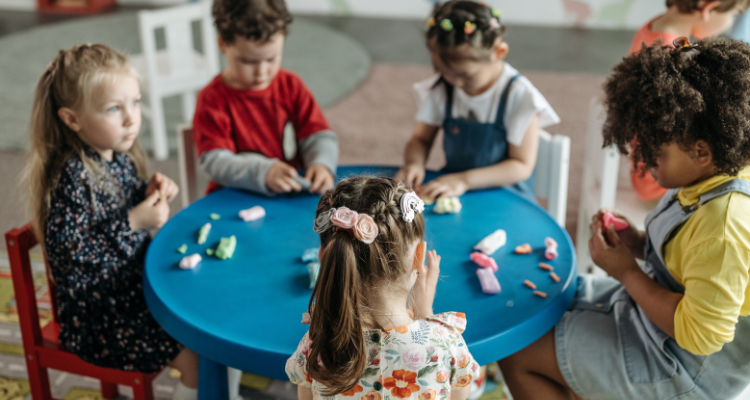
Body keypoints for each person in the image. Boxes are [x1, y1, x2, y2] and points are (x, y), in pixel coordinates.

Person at [499, 37, 750, 400]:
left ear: (701, 151)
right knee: (541, 305)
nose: (645, 161)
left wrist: (627, 273)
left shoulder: (726, 226)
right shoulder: (711, 173)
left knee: (518, 352)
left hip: (687, 370)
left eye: (657, 153)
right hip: (654, 325)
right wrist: (636, 243)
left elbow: (700, 336)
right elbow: (694, 262)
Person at [23, 44, 201, 400]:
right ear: (72, 119)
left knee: (203, 310)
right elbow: (73, 259)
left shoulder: (114, 155)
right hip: (98, 318)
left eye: (135, 103)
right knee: (195, 353)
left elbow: (123, 199)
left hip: (133, 289)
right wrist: (135, 221)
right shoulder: (70, 178)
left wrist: (150, 190)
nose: (131, 118)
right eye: (114, 109)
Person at [286, 176, 479, 399]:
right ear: (419, 257)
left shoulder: (317, 343)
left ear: (325, 258)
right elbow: (458, 395)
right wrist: (426, 316)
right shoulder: (446, 345)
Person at [396, 0, 559, 203]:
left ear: (498, 53)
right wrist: (414, 163)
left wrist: (464, 180)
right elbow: (421, 140)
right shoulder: (442, 88)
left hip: (506, 197)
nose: (455, 82)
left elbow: (521, 165)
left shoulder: (518, 96)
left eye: (465, 75)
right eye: (444, 72)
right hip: (455, 191)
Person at [194, 0, 338, 196]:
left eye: (271, 59)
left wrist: (322, 163)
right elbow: (215, 161)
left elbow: (318, 135)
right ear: (223, 44)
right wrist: (263, 172)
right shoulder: (213, 99)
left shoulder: (291, 86)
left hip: (291, 193)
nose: (261, 72)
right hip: (234, 197)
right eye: (248, 61)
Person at [628, 0, 748, 204]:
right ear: (709, 8)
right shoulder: (669, 52)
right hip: (663, 180)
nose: (729, 24)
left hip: (650, 163)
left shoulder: (656, 27)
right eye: (733, 15)